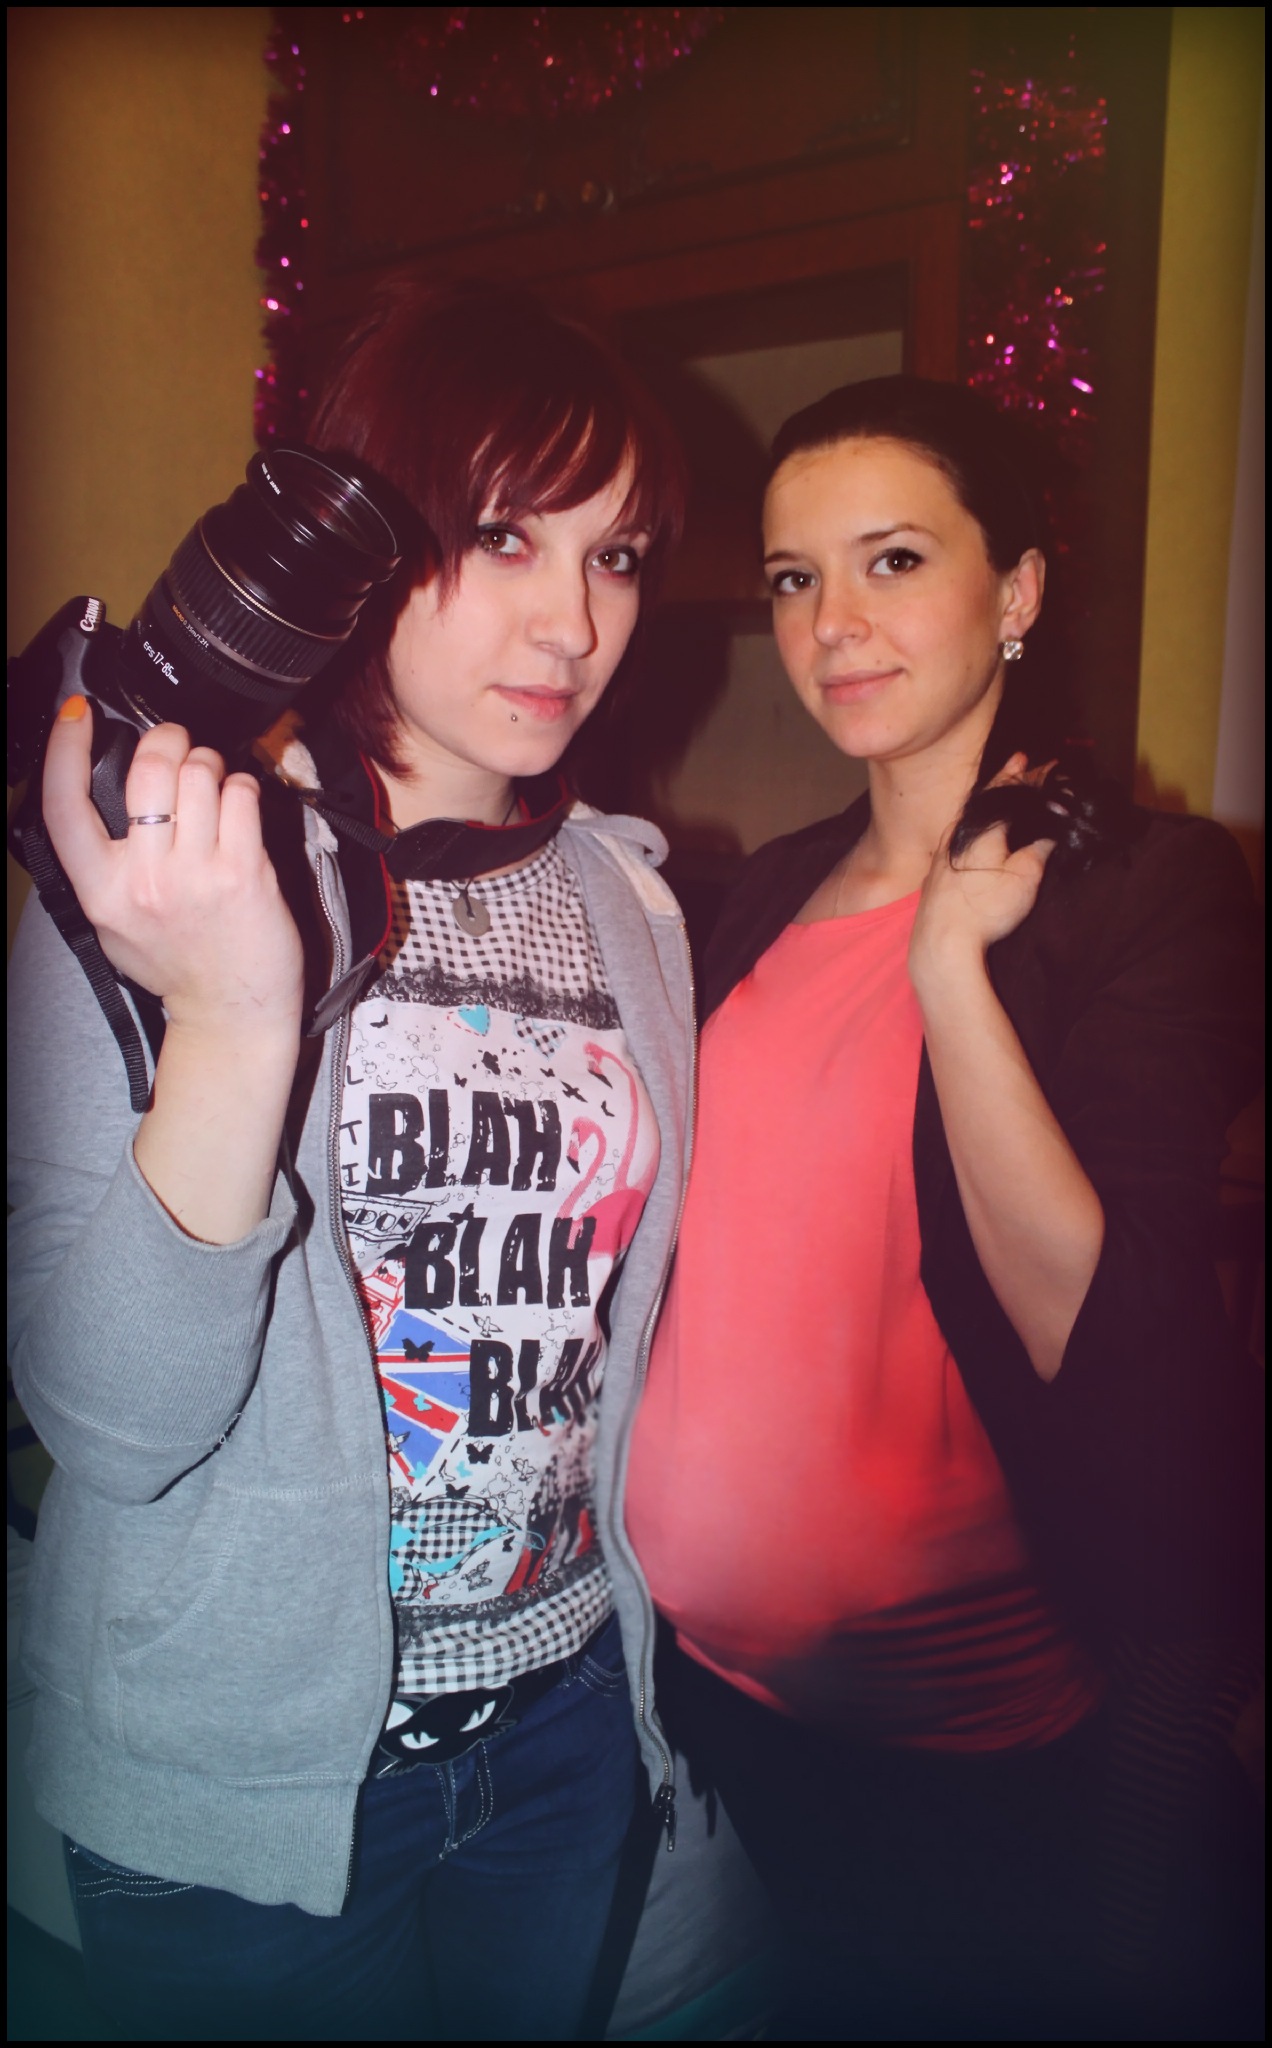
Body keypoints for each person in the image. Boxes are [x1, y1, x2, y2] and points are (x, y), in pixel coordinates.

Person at [8, 278, 695, 2043]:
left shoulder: (630, 905)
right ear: (367, 548)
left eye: (616, 558)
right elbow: (114, 1427)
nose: (572, 623)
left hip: (559, 1741)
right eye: (503, 537)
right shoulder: (172, 867)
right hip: (243, 1783)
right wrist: (236, 1020)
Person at [625, 376, 1264, 2040]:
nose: (832, 623)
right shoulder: (757, 891)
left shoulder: (1150, 891)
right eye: (793, 577)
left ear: (1019, 590)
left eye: (893, 560)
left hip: (991, 1738)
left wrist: (951, 970)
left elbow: (1097, 1323)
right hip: (732, 1707)